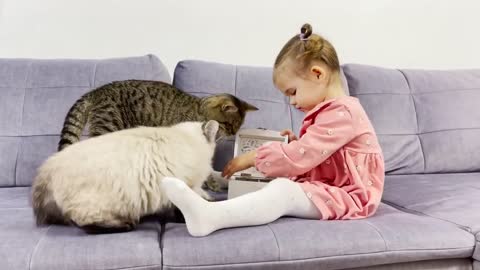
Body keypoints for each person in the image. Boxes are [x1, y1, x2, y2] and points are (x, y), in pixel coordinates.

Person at [162, 23, 385, 237]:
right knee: (266, 177)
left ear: (318, 74)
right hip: (329, 185)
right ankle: (214, 183)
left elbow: (304, 155)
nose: (292, 102)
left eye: (293, 92)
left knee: (283, 191)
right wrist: (297, 141)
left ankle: (211, 216)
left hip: (349, 196)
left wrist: (253, 157)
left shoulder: (343, 113)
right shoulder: (331, 111)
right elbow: (321, 153)